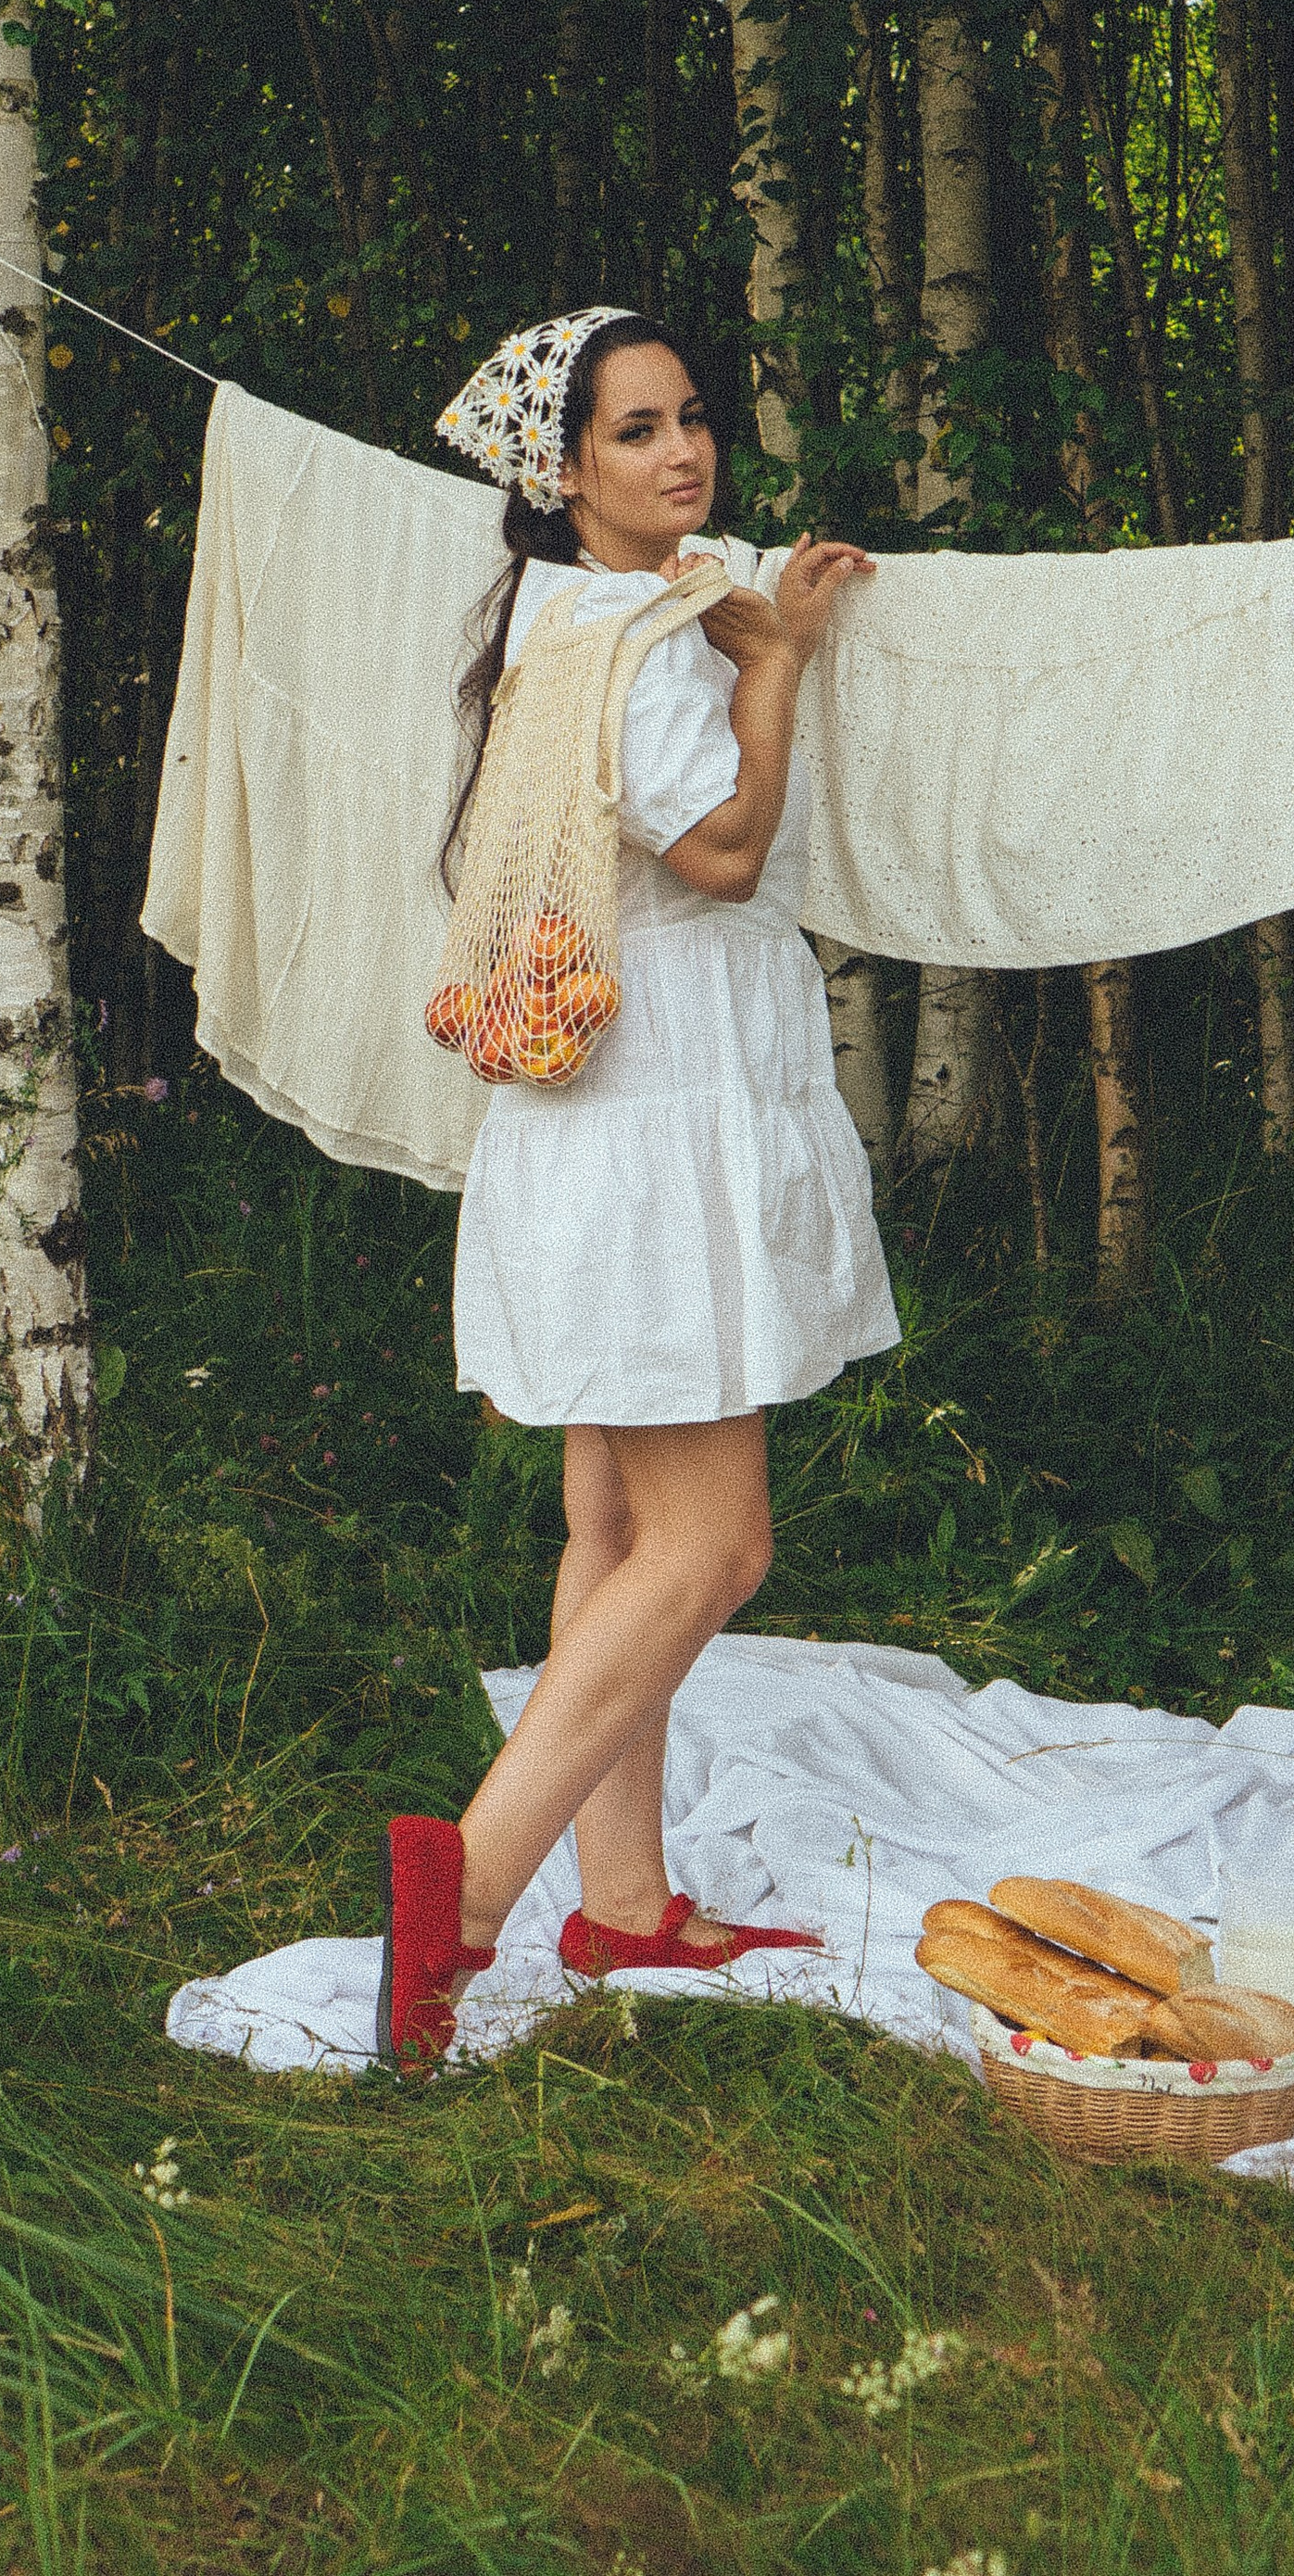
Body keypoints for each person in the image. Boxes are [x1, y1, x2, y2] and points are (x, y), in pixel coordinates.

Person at [378, 305, 898, 2066]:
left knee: (610, 1529)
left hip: (612, 1117)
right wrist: (780, 663)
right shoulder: (638, 639)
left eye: (693, 422)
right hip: (659, 1116)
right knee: (716, 1542)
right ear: (565, 472)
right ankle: (470, 1882)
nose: (685, 456)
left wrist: (740, 617)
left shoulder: (593, 607)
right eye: (636, 434)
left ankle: (622, 1903)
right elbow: (727, 856)